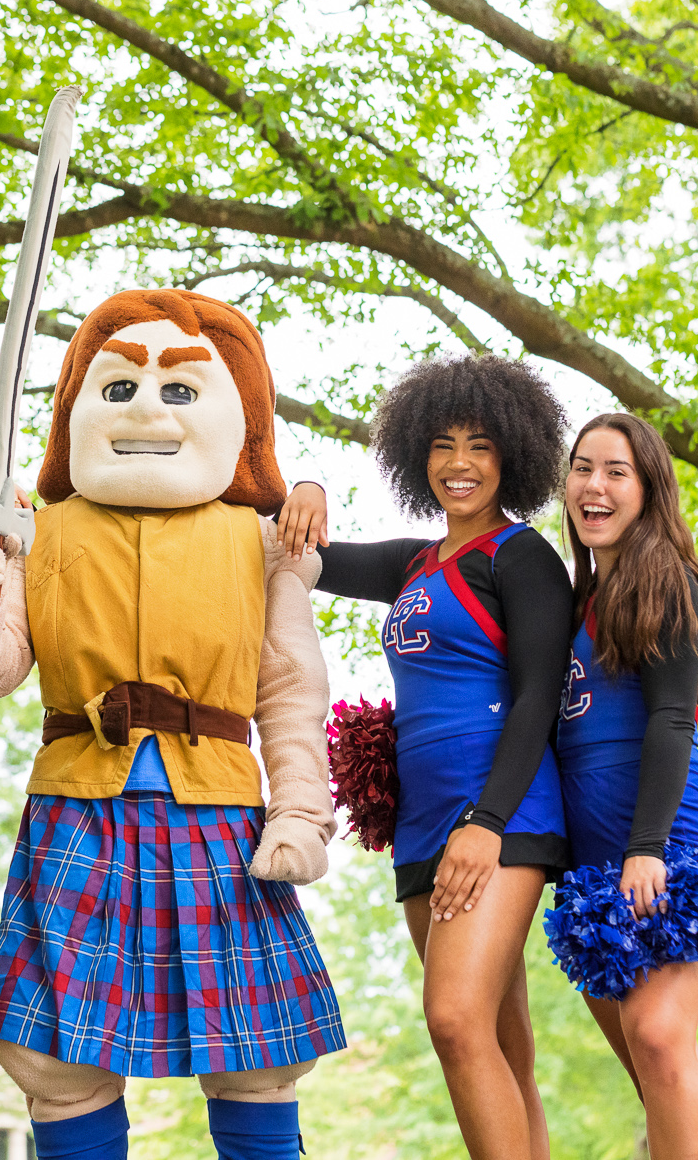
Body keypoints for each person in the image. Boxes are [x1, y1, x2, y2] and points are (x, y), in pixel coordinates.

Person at [0, 288, 343, 1160]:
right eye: (119, 390)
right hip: (78, 805)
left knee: (256, 1055)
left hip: (224, 811)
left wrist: (302, 809)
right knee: (56, 1059)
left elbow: (288, 687)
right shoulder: (37, 536)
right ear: (77, 408)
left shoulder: (260, 541)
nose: (148, 408)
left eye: (182, 391)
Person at [273, 354, 572, 1160]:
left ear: (512, 453)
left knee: (453, 1020)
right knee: (502, 1046)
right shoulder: (413, 562)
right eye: (442, 445)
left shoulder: (522, 557)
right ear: (417, 457)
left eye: (479, 444)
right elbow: (306, 549)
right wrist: (308, 486)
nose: (460, 463)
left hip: (498, 815)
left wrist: (487, 822)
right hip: (422, 824)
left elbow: (539, 698)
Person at [548, 412, 698, 1160]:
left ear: (649, 489)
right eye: (583, 468)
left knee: (659, 1038)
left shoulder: (667, 579)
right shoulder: (570, 607)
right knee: (651, 1067)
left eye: (616, 471)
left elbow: (670, 721)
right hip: (591, 879)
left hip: (670, 851)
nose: (595, 486)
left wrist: (647, 849)